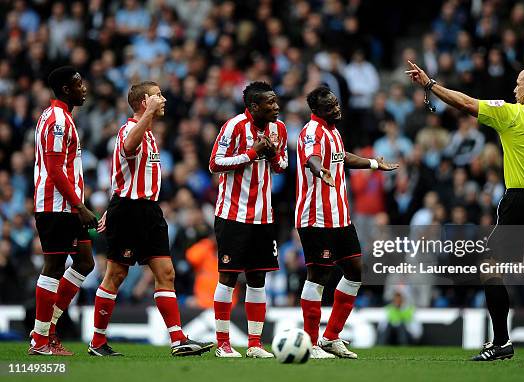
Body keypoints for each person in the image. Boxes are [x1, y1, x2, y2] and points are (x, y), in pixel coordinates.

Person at [406, 62, 524, 363]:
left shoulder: (511, 113)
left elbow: (464, 102)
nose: (514, 89)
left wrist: (430, 85)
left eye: (518, 83)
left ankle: (502, 342)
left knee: (489, 265)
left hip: (519, 201)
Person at [90, 81, 213, 357]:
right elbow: (128, 147)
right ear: (144, 101)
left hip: (149, 211)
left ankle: (178, 340)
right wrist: (117, 205)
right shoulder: (128, 130)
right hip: (129, 211)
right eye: (158, 95)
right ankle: (97, 341)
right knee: (116, 274)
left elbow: (127, 174)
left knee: (165, 273)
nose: (164, 99)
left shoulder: (150, 135)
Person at [296, 86, 398, 359]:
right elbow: (313, 160)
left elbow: (342, 159)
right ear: (316, 110)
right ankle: (310, 342)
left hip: (340, 216)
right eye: (330, 106)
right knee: (318, 276)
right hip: (316, 217)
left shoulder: (334, 131)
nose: (337, 108)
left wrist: (374, 164)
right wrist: (321, 172)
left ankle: (331, 337)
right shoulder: (311, 132)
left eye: (337, 103)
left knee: (355, 271)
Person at [209, 81, 288, 358]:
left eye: (276, 101)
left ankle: (254, 344)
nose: (277, 107)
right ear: (254, 106)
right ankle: (223, 344)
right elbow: (215, 163)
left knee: (258, 279)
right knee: (228, 277)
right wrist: (252, 153)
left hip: (263, 216)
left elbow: (282, 166)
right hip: (233, 214)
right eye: (271, 103)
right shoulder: (233, 127)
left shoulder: (279, 129)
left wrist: (273, 153)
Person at [29, 66, 97, 356]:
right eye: (79, 84)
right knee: (54, 267)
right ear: (66, 89)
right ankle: (40, 340)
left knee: (85, 263)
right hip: (56, 206)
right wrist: (79, 205)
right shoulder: (57, 119)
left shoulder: (60, 116)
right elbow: (55, 169)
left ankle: (47, 328)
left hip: (65, 206)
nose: (84, 88)